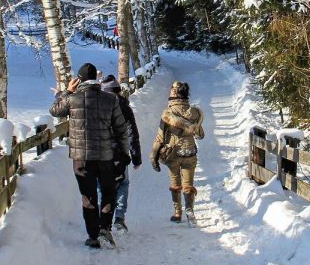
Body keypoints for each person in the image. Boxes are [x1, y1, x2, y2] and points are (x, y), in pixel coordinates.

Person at [50, 62, 131, 248]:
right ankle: (105, 228)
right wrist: (124, 153)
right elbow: (121, 129)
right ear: (96, 78)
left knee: (88, 195)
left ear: (79, 80)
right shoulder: (110, 100)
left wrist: (67, 92)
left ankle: (93, 235)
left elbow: (55, 111)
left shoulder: (73, 99)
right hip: (106, 156)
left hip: (81, 159)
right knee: (108, 192)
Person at [150, 80, 205, 223]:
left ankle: (177, 213)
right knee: (188, 183)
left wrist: (153, 157)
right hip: (190, 151)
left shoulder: (168, 113)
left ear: (174, 93)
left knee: (175, 182)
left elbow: (160, 137)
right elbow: (200, 134)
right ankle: (190, 210)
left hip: (173, 152)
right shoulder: (195, 112)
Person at [100, 74, 142, 231]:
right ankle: (119, 217)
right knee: (123, 183)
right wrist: (136, 157)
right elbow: (132, 134)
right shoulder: (124, 107)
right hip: (120, 153)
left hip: (101, 154)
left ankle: (103, 218)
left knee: (102, 186)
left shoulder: (99, 106)